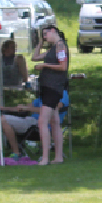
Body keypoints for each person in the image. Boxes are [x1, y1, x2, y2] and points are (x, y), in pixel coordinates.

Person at [0, 92, 67, 162]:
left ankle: (16, 152)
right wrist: (2, 107)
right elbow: (24, 109)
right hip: (30, 122)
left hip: (42, 126)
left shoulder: (62, 93)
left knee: (1, 120)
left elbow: (54, 110)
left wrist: (28, 109)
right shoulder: (44, 96)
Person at [30, 24, 68, 165]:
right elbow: (35, 57)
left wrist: (45, 66)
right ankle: (58, 157)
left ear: (53, 31)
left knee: (42, 121)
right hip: (48, 87)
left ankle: (45, 158)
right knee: (55, 121)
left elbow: (63, 66)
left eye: (45, 35)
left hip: (53, 88)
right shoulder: (53, 48)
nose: (45, 38)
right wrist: (40, 43)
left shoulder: (60, 46)